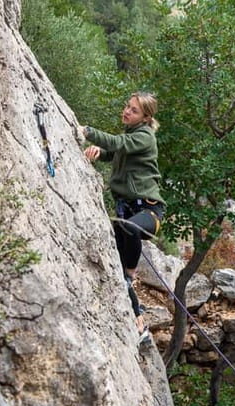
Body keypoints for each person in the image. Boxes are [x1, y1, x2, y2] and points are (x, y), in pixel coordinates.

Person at [78, 92, 165, 342]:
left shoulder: (144, 136)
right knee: (118, 272)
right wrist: (98, 151)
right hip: (126, 213)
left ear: (146, 118)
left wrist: (87, 132)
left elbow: (119, 144)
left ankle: (132, 271)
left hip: (149, 211)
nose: (126, 111)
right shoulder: (131, 135)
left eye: (134, 110)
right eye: (127, 106)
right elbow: (115, 152)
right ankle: (139, 322)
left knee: (130, 230)